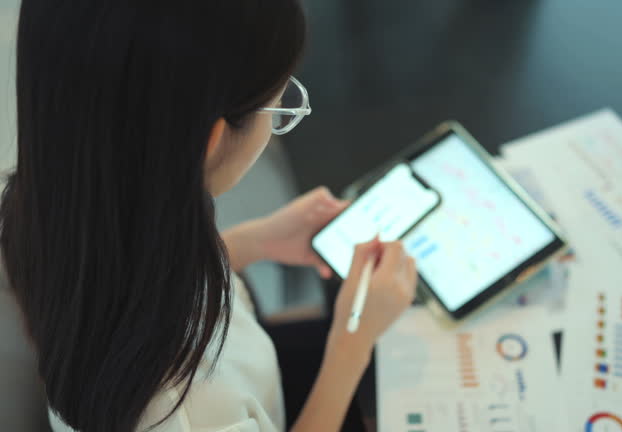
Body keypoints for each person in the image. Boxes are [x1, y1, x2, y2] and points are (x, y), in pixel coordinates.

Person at [0, 1, 418, 431]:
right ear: (211, 141)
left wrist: (252, 242)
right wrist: (353, 343)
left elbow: (133, 289)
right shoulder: (187, 411)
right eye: (277, 107)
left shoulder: (56, 206)